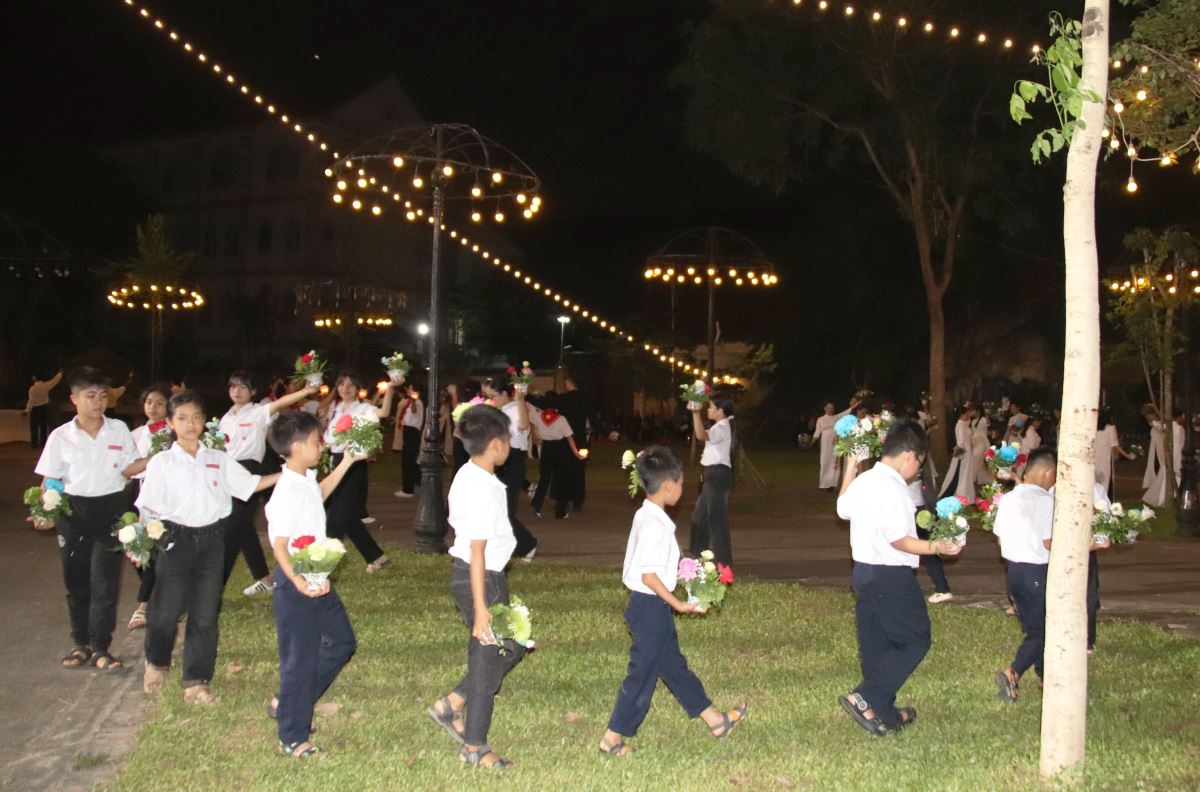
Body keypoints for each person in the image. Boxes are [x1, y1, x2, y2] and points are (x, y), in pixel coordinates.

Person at [598, 446, 748, 757]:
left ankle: (715, 721)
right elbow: (649, 576)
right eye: (681, 482)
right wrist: (678, 604)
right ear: (668, 485)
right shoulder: (655, 525)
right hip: (649, 606)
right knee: (642, 673)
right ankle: (612, 737)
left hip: (650, 606)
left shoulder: (647, 515)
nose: (683, 488)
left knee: (673, 666)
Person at [138, 390, 280, 704]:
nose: (191, 424)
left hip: (213, 540)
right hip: (175, 539)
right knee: (166, 609)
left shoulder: (217, 459)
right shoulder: (162, 462)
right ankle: (157, 663)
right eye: (183, 418)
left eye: (197, 418)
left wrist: (288, 472)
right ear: (171, 423)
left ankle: (196, 680)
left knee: (204, 612)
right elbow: (147, 508)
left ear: (204, 421)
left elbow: (250, 484)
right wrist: (147, 542)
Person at [836, 420, 962, 735]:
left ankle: (885, 714)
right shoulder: (893, 488)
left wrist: (851, 465)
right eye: (919, 463)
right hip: (889, 574)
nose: (917, 471)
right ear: (909, 455)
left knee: (876, 646)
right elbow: (900, 540)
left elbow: (842, 508)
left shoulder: (865, 479)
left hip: (863, 572)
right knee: (915, 639)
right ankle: (864, 697)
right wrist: (938, 546)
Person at [425, 405, 525, 770]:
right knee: (487, 663)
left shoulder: (470, 474)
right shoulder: (481, 488)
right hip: (482, 579)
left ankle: (452, 703)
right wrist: (482, 608)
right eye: (508, 439)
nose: (509, 445)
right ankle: (474, 746)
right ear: (496, 443)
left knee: (513, 645)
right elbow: (477, 550)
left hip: (479, 577)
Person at [263, 412, 361, 758]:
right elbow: (279, 545)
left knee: (342, 642)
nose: (322, 446)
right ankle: (292, 736)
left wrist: (347, 461)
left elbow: (319, 494)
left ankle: (288, 702)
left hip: (317, 578)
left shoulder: (304, 478)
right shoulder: (286, 491)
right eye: (316, 441)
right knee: (299, 660)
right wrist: (298, 581)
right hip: (297, 584)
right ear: (297, 447)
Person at [34, 367, 145, 671]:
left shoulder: (118, 430)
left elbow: (128, 469)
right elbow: (50, 480)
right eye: (90, 396)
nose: (98, 402)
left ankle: (100, 648)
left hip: (111, 512)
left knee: (105, 583)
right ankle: (80, 643)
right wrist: (44, 511)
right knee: (77, 581)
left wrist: (158, 458)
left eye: (102, 396)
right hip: (73, 514)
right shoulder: (60, 436)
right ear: (74, 399)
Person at [219, 371, 319, 594]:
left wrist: (306, 390)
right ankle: (264, 578)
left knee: (233, 528)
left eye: (243, 387)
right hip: (229, 471)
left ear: (253, 391)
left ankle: (215, 585)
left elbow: (280, 403)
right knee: (243, 527)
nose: (237, 391)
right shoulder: (225, 419)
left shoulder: (257, 412)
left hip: (249, 470)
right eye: (233, 387)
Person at [993, 447, 1060, 702]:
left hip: (1013, 572)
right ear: (1048, 472)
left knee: (1036, 625)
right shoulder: (1045, 501)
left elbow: (1000, 536)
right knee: (1044, 631)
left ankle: (1045, 675)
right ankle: (1013, 672)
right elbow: (1048, 541)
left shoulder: (1008, 498)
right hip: (1036, 571)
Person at [319, 373, 394, 573]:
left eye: (351, 385)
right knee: (348, 516)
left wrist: (390, 388)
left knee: (336, 518)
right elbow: (329, 440)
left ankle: (321, 567)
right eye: (342, 384)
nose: (346, 388)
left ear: (358, 389)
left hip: (353, 464)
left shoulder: (363, 409)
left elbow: (384, 412)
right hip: (335, 462)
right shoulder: (334, 410)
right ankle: (377, 557)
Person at [126, 384, 171, 630]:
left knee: (154, 548)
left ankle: (143, 605)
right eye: (149, 402)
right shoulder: (135, 434)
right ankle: (161, 595)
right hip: (137, 492)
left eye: (160, 403)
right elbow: (127, 466)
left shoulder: (173, 433)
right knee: (137, 548)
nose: (153, 407)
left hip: (163, 497)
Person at [482, 376, 538, 562]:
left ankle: (527, 544)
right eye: (488, 396)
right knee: (495, 508)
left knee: (504, 511)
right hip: (499, 460)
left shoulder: (514, 408)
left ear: (505, 393)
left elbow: (523, 425)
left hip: (512, 461)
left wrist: (520, 400)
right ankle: (507, 545)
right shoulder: (500, 411)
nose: (491, 400)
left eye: (493, 396)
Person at [689, 397, 736, 566]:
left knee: (717, 520)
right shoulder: (719, 427)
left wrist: (695, 412)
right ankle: (699, 558)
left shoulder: (722, 427)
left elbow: (701, 435)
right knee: (699, 518)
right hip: (712, 475)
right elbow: (702, 434)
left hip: (717, 475)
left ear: (720, 411)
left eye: (711, 407)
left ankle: (724, 565)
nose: (708, 410)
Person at [529, 393, 585, 520]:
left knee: (544, 479)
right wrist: (576, 453)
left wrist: (535, 432)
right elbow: (569, 438)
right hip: (559, 449)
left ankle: (536, 507)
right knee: (561, 480)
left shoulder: (538, 416)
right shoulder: (561, 419)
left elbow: (530, 416)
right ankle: (560, 512)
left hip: (546, 448)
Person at [909, 455, 952, 604]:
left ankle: (940, 588)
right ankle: (942, 588)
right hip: (923, 508)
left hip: (912, 509)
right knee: (928, 550)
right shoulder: (923, 460)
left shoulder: (909, 461)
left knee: (909, 548)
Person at [559, 374, 589, 511]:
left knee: (565, 469)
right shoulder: (584, 398)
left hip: (566, 437)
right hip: (581, 438)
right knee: (579, 470)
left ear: (570, 383)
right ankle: (578, 499)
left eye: (566, 382)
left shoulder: (564, 399)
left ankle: (565, 499)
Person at [812, 398, 856, 492]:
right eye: (828, 408)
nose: (830, 410)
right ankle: (823, 484)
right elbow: (817, 432)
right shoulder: (820, 419)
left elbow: (847, 411)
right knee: (825, 462)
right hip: (825, 443)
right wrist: (813, 440)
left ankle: (832, 484)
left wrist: (858, 402)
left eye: (832, 408)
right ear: (825, 408)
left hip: (836, 442)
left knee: (835, 463)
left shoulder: (836, 417)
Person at [938, 404, 977, 500]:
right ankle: (961, 494)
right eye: (966, 413)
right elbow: (960, 442)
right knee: (960, 472)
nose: (968, 415)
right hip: (963, 452)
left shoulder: (964, 424)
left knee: (966, 473)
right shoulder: (959, 425)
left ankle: (966, 493)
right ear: (962, 414)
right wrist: (960, 455)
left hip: (967, 452)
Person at [1095, 409, 1134, 500]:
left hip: (1095, 459)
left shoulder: (1095, 429)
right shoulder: (1111, 428)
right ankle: (1106, 502)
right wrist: (1127, 455)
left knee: (1096, 482)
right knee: (1107, 481)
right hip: (1105, 460)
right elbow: (1115, 445)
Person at [393, 383, 424, 498]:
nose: (408, 390)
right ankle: (415, 482)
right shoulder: (409, 402)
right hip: (407, 431)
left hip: (412, 432)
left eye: (411, 388)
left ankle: (408, 489)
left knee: (408, 461)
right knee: (408, 460)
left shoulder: (417, 402)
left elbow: (414, 411)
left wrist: (413, 400)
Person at [23, 369, 62, 449]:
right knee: (43, 426)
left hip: (35, 409)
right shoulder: (45, 385)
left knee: (34, 427)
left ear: (35, 378)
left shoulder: (32, 389)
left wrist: (27, 410)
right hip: (43, 408)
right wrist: (60, 374)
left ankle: (34, 444)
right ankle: (43, 444)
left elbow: (31, 400)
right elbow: (54, 381)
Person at [1142, 410, 1169, 507]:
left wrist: (1153, 422)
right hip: (1156, 451)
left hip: (1161, 450)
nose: (1148, 418)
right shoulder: (1155, 425)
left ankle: (1158, 495)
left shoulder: (1161, 424)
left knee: (1163, 469)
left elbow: (1162, 429)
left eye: (1149, 415)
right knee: (1159, 470)